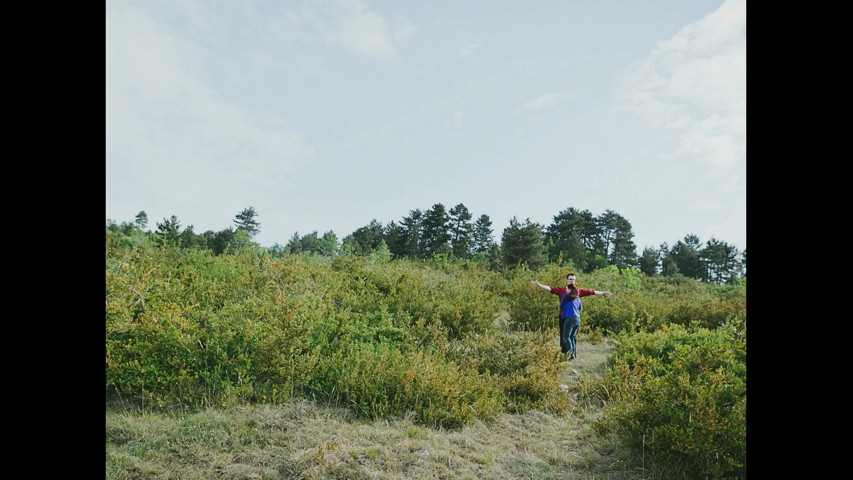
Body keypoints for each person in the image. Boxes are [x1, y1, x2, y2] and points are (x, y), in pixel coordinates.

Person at [529, 273, 612, 359]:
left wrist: (603, 293)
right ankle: (565, 353)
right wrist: (539, 285)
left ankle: (572, 354)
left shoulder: (578, 291)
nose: (572, 281)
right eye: (570, 279)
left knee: (571, 337)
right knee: (564, 336)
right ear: (567, 280)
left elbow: (591, 292)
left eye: (573, 279)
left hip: (571, 317)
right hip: (563, 316)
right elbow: (550, 288)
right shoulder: (561, 290)